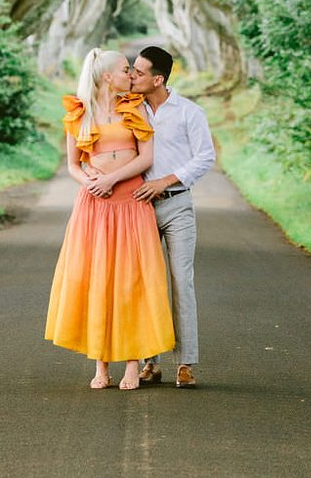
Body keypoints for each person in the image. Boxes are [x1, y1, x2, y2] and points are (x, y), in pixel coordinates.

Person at [44, 48, 175, 391]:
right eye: (124, 69)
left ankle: (132, 364)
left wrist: (112, 179)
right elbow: (72, 163)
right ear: (107, 77)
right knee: (98, 281)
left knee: (131, 282)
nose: (130, 74)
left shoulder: (133, 109)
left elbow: (146, 158)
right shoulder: (79, 113)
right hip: (95, 206)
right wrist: (89, 181)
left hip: (130, 201)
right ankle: (101, 365)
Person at [129, 44, 215, 389]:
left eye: (138, 72)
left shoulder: (189, 113)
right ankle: (149, 362)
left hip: (177, 203)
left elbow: (205, 157)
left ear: (158, 78)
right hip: (138, 208)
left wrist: (166, 180)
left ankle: (186, 363)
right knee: (145, 284)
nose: (132, 76)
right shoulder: (130, 110)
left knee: (182, 281)